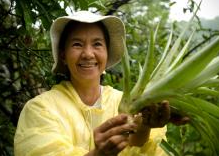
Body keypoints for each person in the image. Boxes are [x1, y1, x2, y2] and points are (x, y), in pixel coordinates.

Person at [14, 11, 188, 155]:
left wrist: (144, 128)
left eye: (97, 44)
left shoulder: (128, 105)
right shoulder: (41, 109)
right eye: (77, 44)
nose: (88, 54)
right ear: (63, 55)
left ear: (106, 52)